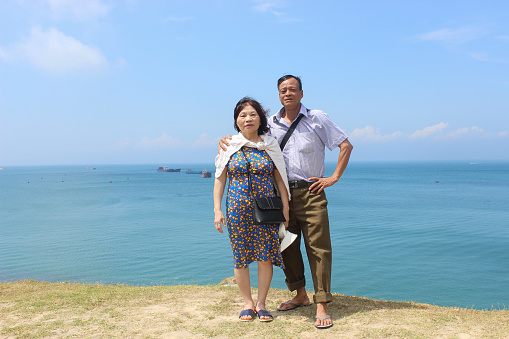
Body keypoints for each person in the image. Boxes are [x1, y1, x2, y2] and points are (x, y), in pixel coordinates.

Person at [219, 75, 353, 329]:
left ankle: (321, 302)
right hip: (278, 197)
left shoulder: (318, 118)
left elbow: (345, 146)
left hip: (310, 191)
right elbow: (246, 137)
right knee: (286, 246)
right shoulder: (269, 124)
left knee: (318, 247)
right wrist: (223, 141)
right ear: (278, 94)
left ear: (302, 93)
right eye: (283, 90)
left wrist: (333, 178)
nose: (288, 93)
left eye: (292, 89)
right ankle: (299, 294)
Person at [213, 97, 291, 322]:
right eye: (242, 115)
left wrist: (285, 208)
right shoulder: (229, 146)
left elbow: (280, 179)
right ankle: (247, 303)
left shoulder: (270, 145)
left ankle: (262, 303)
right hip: (237, 209)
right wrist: (217, 211)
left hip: (267, 209)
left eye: (252, 114)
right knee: (241, 257)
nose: (247, 119)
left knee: (266, 256)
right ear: (236, 121)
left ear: (260, 119)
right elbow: (220, 180)